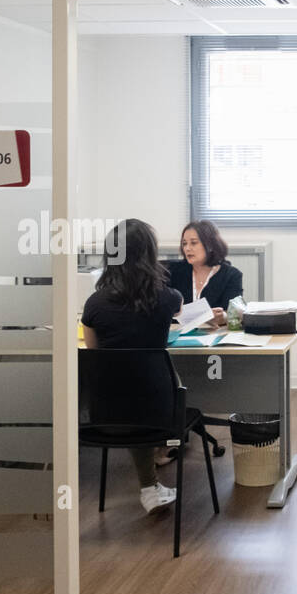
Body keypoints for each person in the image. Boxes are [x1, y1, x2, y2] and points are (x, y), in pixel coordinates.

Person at [81, 218, 182, 514]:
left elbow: (94, 355)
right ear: (148, 255)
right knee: (151, 386)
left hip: (105, 416)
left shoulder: (94, 305)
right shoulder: (168, 299)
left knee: (126, 389)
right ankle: (153, 483)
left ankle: (149, 486)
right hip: (159, 414)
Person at [167, 220, 244, 327]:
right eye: (184, 243)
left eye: (193, 243)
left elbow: (233, 313)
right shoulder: (173, 271)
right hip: (177, 335)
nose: (187, 248)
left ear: (210, 245)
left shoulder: (231, 275)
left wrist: (222, 317)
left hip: (214, 334)